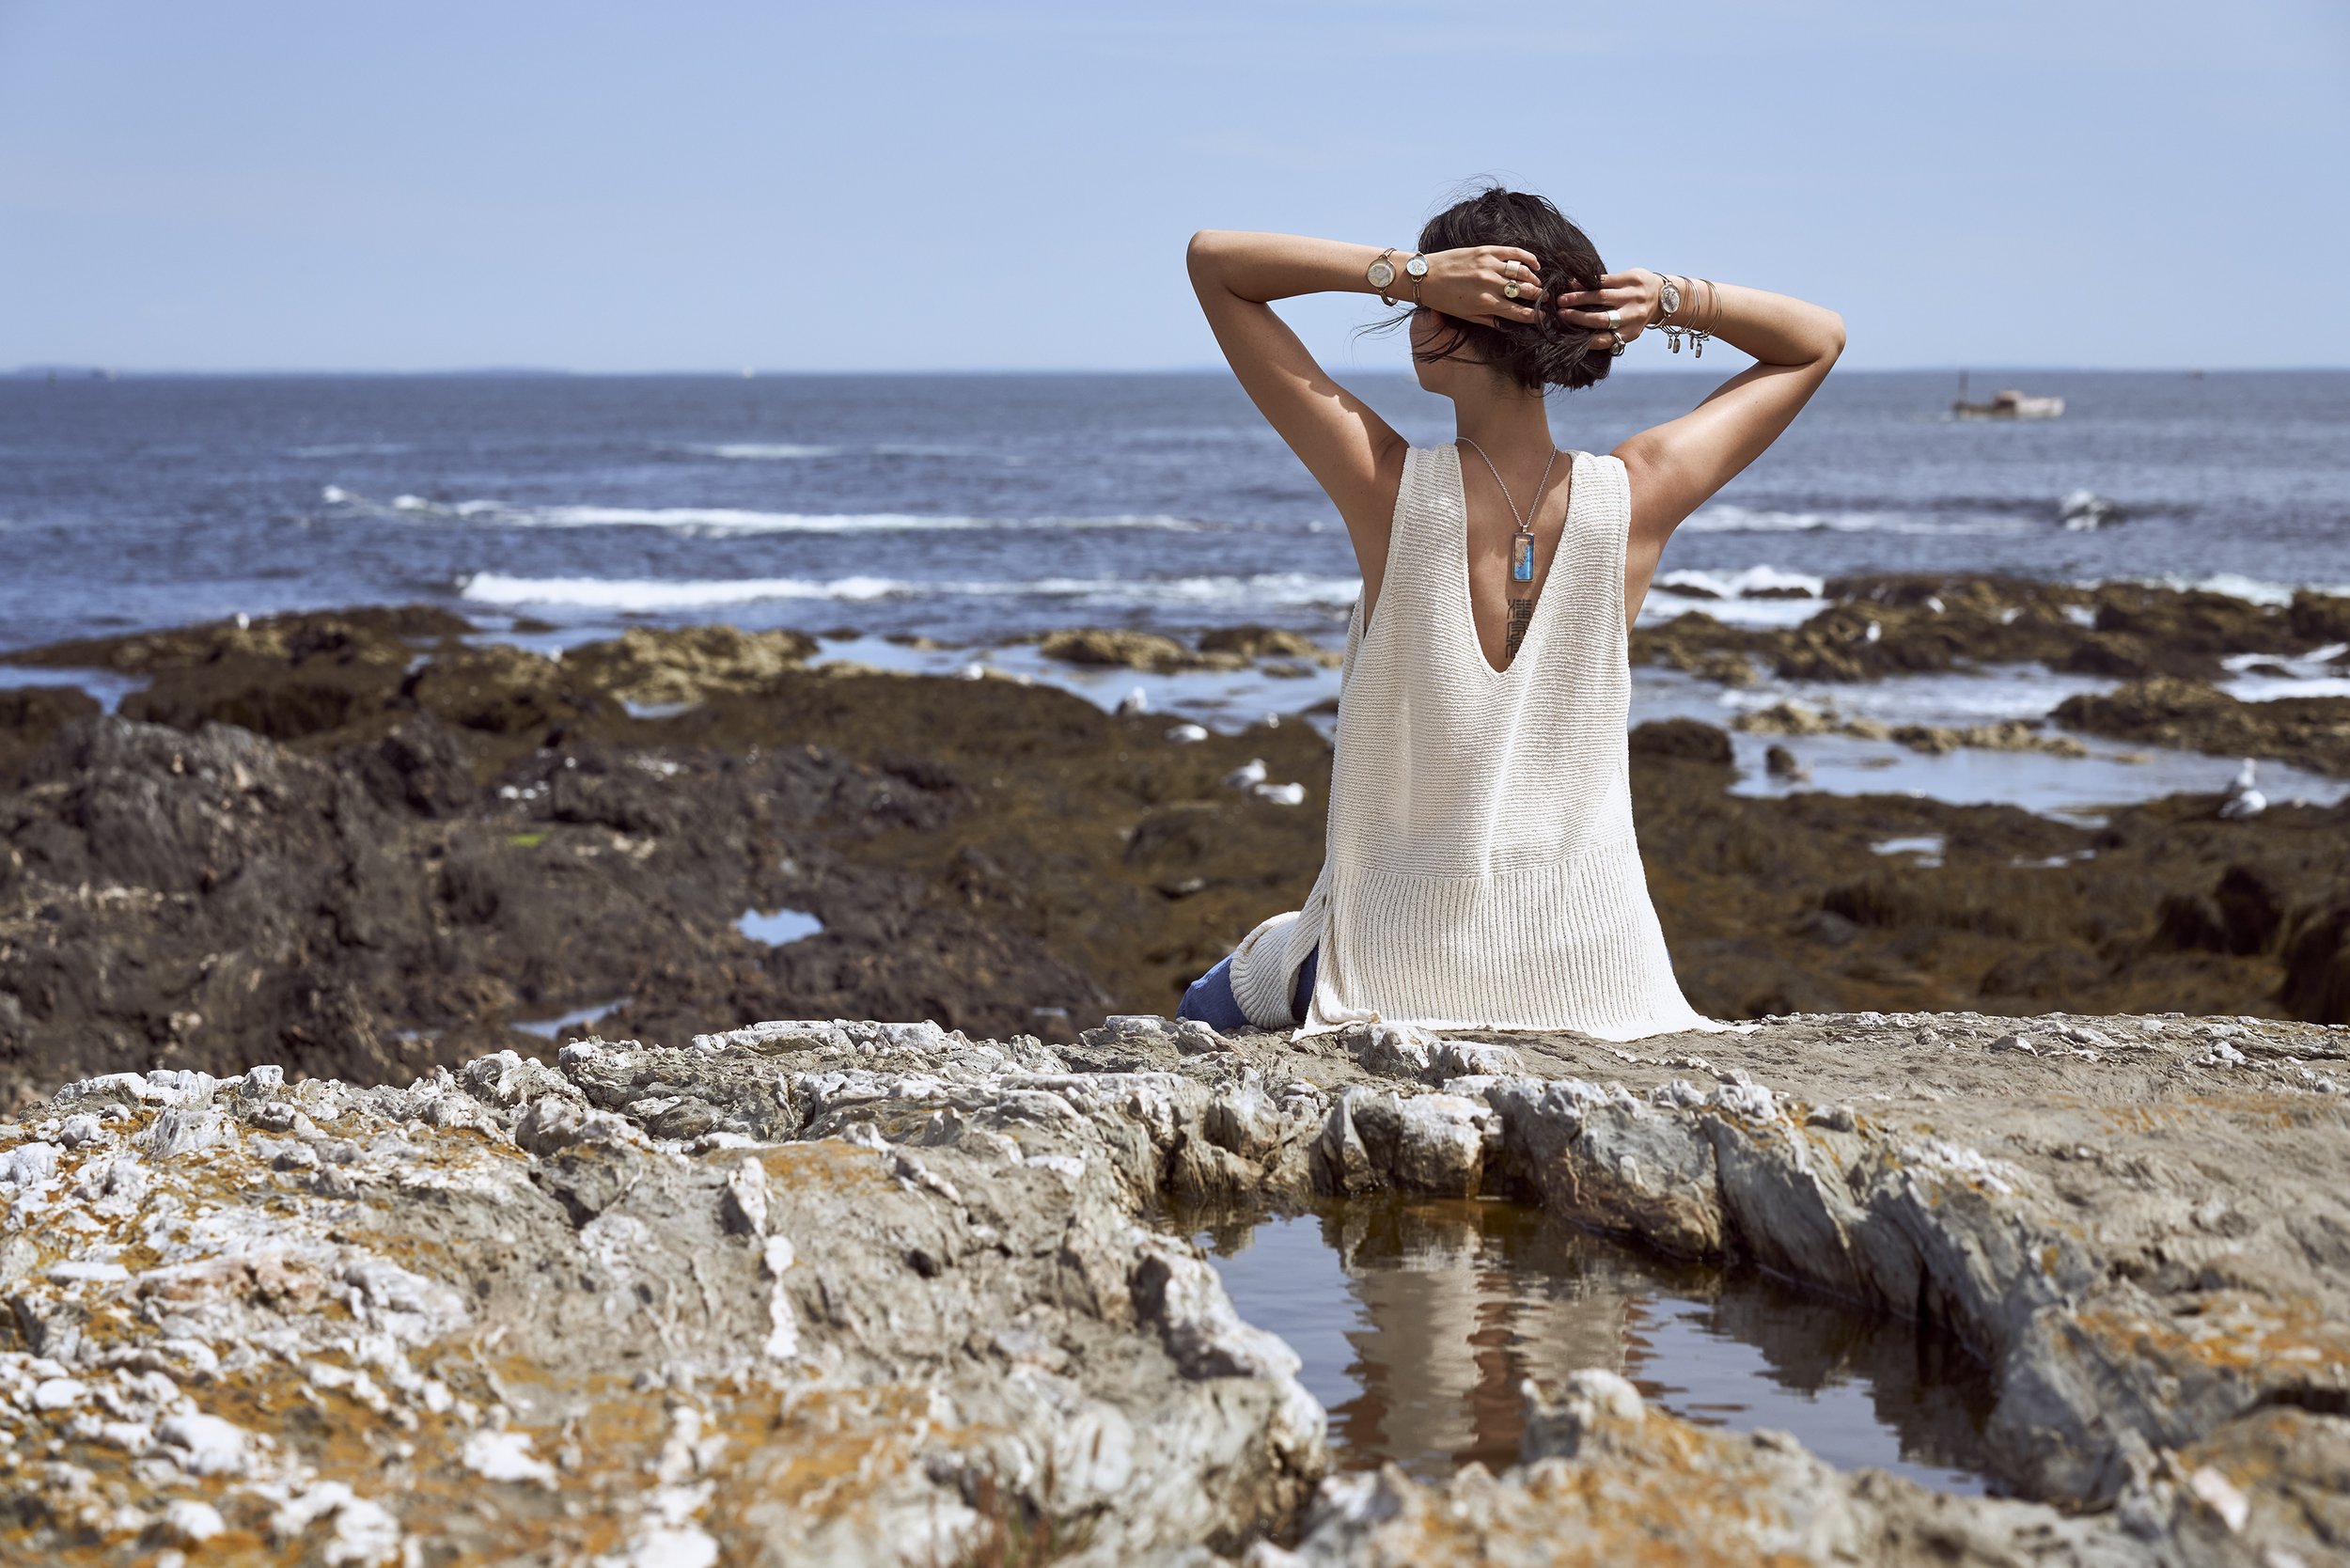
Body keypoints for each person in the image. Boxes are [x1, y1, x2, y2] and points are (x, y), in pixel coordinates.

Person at [1174, 185, 1843, 1040]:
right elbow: (1816, 343)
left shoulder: (1389, 487)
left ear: (1452, 310)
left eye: (1429, 298)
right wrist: (1674, 298)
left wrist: (1405, 273)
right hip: (1595, 968)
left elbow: (1214, 264)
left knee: (1207, 1005)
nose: (1415, 308)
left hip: (1397, 961)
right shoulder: (1635, 495)